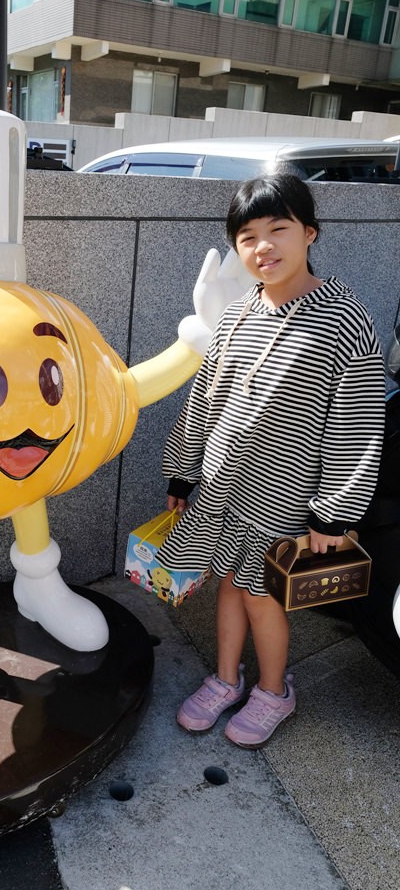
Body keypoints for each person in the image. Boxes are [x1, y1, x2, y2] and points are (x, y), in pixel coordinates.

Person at [157, 172, 386, 748]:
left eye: (278, 229)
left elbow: (357, 423)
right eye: (248, 236)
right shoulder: (235, 316)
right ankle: (226, 679)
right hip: (224, 489)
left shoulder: (345, 319)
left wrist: (334, 511)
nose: (264, 247)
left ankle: (274, 691)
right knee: (228, 584)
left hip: (285, 497)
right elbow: (204, 401)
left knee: (262, 594)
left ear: (310, 232)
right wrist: (184, 471)